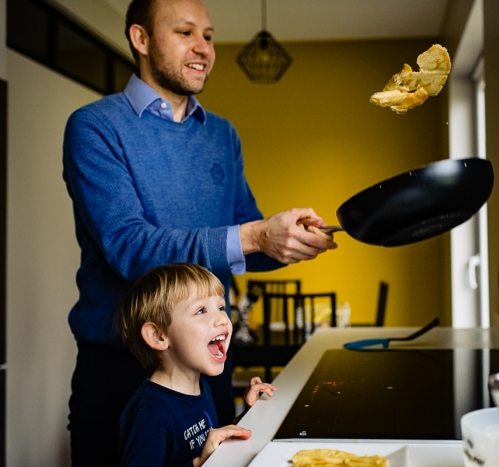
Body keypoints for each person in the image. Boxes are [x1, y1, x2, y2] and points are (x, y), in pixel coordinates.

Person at [62, 0, 336, 464]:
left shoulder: (222, 135)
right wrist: (255, 236)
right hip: (119, 372)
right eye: (185, 32)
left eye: (208, 36)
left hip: (207, 368)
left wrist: (290, 240)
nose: (204, 48)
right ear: (141, 39)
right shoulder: (94, 127)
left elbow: (245, 239)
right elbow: (131, 247)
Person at [118, 263, 275, 467]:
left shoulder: (201, 387)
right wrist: (198, 463)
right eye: (201, 310)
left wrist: (249, 414)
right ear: (158, 336)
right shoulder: (150, 413)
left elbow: (210, 440)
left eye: (221, 307)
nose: (222, 319)